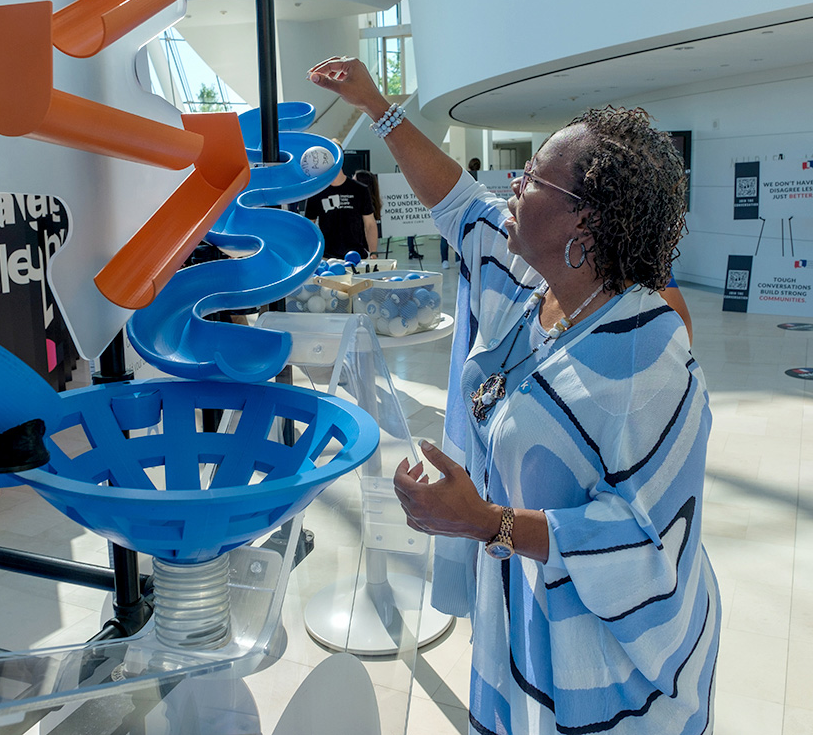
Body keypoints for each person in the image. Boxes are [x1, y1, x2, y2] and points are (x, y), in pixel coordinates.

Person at [308, 56, 720, 735]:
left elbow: (650, 549)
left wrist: (486, 522)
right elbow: (458, 202)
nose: (512, 185)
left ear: (581, 226)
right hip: (522, 612)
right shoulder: (531, 284)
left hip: (599, 663)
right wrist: (374, 104)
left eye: (531, 178)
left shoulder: (647, 355)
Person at [304, 160, 378, 260]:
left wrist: (373, 252)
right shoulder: (317, 192)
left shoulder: (360, 190)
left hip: (357, 255)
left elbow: (370, 224)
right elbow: (309, 226)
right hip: (328, 257)